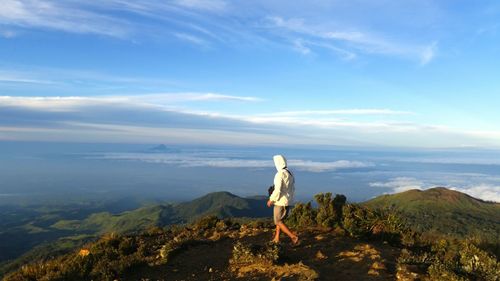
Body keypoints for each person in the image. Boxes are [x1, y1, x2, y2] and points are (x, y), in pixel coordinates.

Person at [267, 155, 299, 244]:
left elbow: (278, 190)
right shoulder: (290, 172)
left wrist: (271, 199)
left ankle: (293, 237)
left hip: (280, 202)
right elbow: (292, 188)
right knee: (280, 221)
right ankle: (277, 238)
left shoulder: (279, 174)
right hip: (288, 200)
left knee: (277, 221)